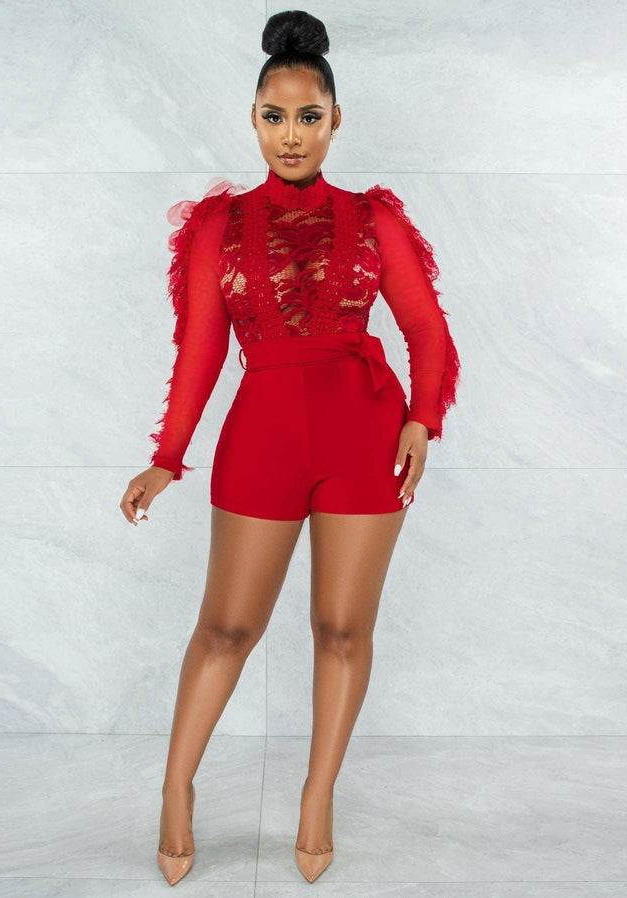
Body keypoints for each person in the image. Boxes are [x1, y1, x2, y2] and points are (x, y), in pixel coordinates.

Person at [119, 9, 460, 887]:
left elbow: (428, 329)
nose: (292, 135)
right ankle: (176, 790)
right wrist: (168, 454)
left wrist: (422, 418)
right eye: (275, 117)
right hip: (262, 437)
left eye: (309, 117)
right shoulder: (218, 225)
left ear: (336, 120)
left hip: (365, 439)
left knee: (342, 630)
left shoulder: (373, 218)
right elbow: (200, 350)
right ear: (253, 119)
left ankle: (317, 797)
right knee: (226, 628)